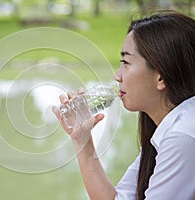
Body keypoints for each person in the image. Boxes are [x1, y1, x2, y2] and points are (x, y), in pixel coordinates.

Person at [52, 10, 195, 200]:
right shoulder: (167, 130)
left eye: (126, 62)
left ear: (160, 77)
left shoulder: (182, 137)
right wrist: (82, 141)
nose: (117, 76)